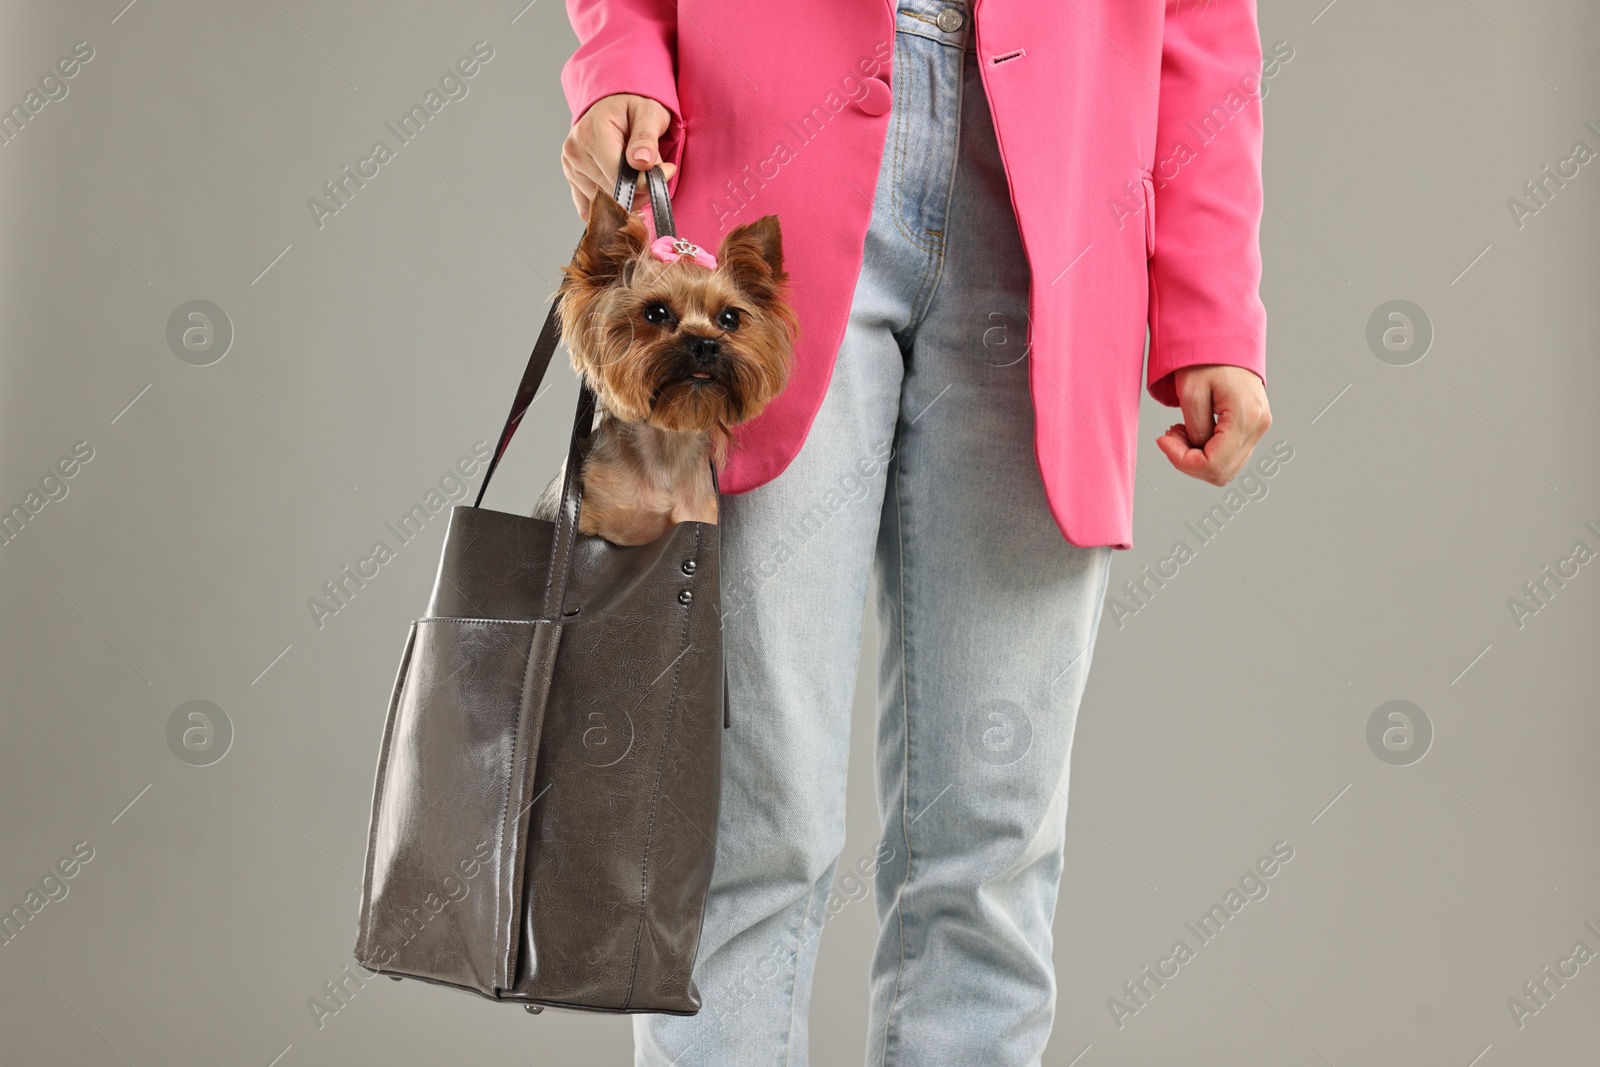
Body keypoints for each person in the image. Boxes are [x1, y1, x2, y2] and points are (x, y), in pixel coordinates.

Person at [558, 1, 1272, 1064]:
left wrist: (1213, 308)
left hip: (1062, 199)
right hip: (762, 179)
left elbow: (1205, 20)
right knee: (755, 824)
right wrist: (620, 51)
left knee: (990, 844)